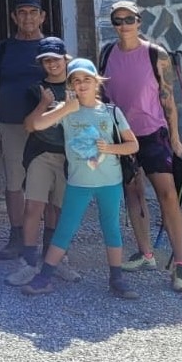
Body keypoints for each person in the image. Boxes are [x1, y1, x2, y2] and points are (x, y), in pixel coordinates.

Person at [21, 59, 140, 299]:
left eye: (87, 79)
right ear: (70, 84)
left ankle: (116, 278)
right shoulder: (65, 109)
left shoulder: (111, 111)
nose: (82, 84)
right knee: (65, 229)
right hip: (78, 183)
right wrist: (66, 108)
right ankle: (44, 277)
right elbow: (34, 125)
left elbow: (133, 145)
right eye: (76, 80)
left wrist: (108, 149)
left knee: (111, 228)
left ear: (97, 82)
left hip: (110, 182)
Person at [100, 0, 182, 293]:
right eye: (118, 20)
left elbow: (168, 98)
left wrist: (175, 138)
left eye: (130, 19)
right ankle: (146, 254)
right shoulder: (106, 53)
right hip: (121, 135)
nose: (124, 25)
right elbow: (103, 95)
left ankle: (180, 265)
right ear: (113, 23)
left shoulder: (156, 54)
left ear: (139, 21)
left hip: (153, 134)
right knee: (133, 192)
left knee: (167, 194)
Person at [6, 37, 84, 286]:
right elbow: (29, 125)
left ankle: (55, 260)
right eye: (46, 60)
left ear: (65, 59)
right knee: (34, 207)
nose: (52, 64)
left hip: (69, 156)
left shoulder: (78, 85)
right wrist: (44, 103)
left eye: (55, 59)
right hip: (40, 153)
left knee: (58, 209)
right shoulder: (35, 89)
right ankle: (28, 263)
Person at [0, 0, 47, 260]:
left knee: (47, 184)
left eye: (33, 12)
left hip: (47, 126)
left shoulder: (52, 47)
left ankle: (48, 240)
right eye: (22, 13)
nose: (28, 18)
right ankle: (17, 236)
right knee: (14, 182)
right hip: (10, 124)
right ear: (14, 17)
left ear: (42, 16)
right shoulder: (3, 49)